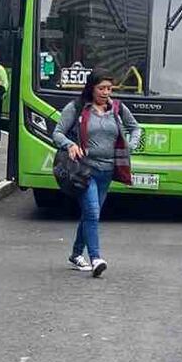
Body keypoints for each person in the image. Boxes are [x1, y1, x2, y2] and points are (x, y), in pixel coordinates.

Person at [52, 71, 141, 278]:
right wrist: (70, 144)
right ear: (91, 88)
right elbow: (57, 133)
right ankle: (96, 258)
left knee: (90, 214)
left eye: (109, 89)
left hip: (107, 170)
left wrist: (131, 145)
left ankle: (75, 254)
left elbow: (135, 128)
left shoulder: (117, 108)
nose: (105, 93)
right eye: (101, 88)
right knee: (92, 212)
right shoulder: (76, 108)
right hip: (85, 170)